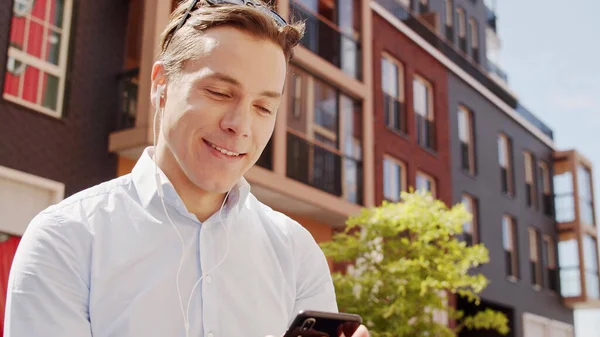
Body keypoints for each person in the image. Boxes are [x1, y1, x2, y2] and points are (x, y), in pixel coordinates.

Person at [3, 0, 371, 337]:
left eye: (263, 108)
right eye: (219, 93)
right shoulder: (66, 239)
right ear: (161, 84)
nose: (240, 125)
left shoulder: (297, 253)